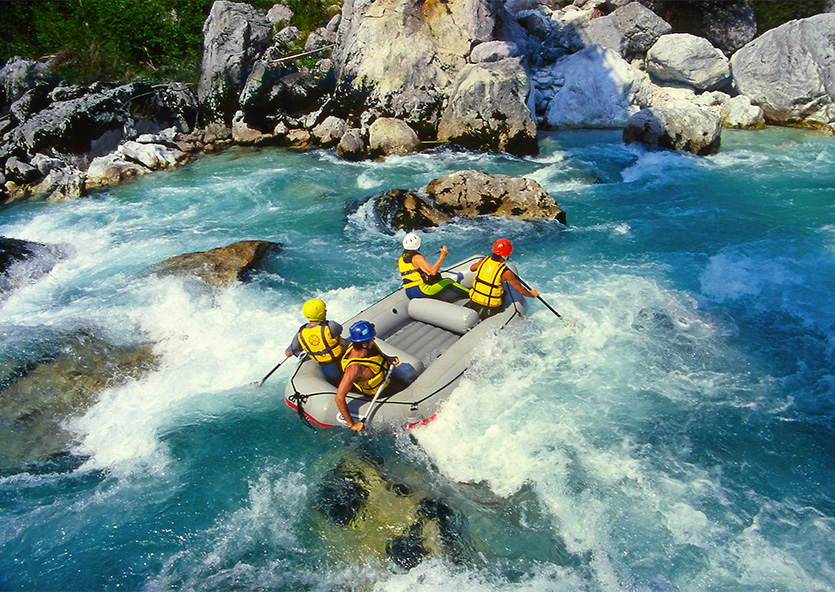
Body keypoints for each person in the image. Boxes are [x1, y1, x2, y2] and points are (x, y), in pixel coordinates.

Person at [335, 320, 400, 432]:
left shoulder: (363, 347)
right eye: (371, 339)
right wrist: (352, 424)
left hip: (386, 380)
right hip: (379, 393)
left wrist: (387, 357)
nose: (374, 340)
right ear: (364, 344)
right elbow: (339, 398)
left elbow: (375, 352)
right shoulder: (354, 369)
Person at [466, 239, 539, 319]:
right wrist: (532, 294)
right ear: (507, 255)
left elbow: (472, 268)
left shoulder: (483, 261)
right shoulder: (506, 272)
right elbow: (521, 290)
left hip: (474, 302)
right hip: (490, 308)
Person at [285, 298, 344, 385]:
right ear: (320, 313)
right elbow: (340, 330)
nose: (326, 311)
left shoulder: (301, 334)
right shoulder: (331, 326)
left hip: (324, 367)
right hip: (339, 361)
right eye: (324, 310)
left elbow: (287, 353)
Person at [397, 232, 468, 301]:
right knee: (448, 281)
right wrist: (443, 255)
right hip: (421, 290)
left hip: (409, 292)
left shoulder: (400, 259)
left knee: (435, 277)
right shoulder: (417, 257)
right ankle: (471, 294)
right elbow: (432, 271)